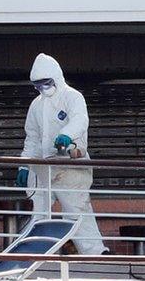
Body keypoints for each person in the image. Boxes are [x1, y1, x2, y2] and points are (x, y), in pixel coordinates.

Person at [15, 53, 108, 255]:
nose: (42, 88)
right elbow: (32, 138)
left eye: (46, 83)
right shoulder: (36, 105)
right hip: (43, 168)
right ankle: (30, 254)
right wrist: (24, 164)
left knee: (77, 211)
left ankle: (96, 254)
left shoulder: (72, 97)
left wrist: (66, 135)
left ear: (56, 78)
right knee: (39, 212)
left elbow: (80, 120)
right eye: (38, 85)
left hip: (71, 166)